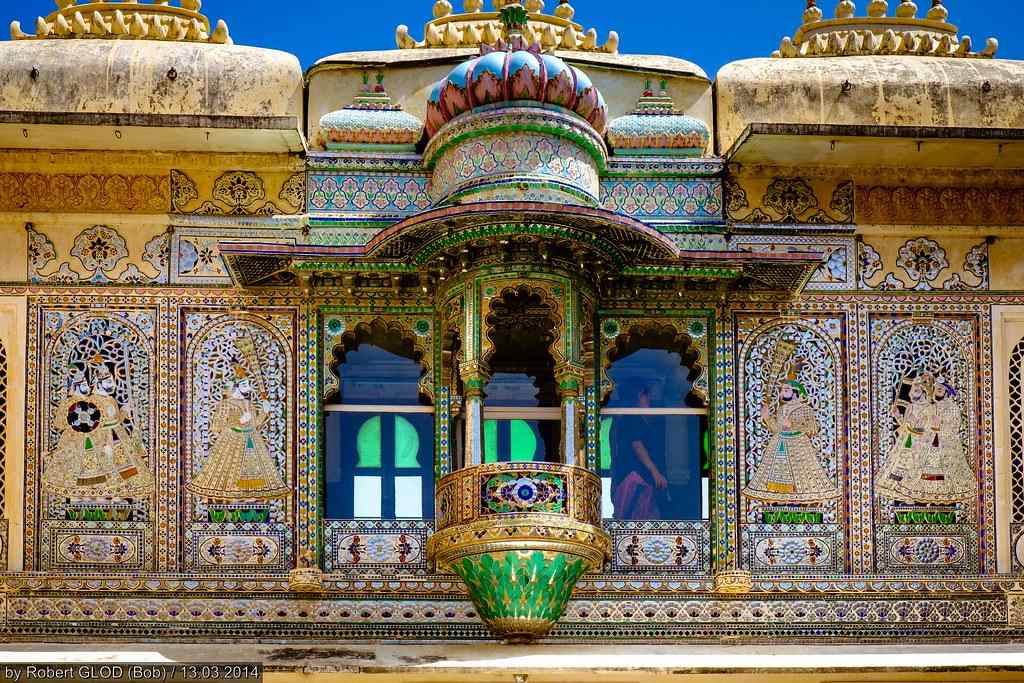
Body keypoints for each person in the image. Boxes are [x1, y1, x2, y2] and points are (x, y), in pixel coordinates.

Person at [42, 356, 154, 498]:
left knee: (126, 469)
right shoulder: (92, 400)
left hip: (118, 437)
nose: (112, 384)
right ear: (97, 383)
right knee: (102, 471)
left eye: (112, 380)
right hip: (101, 440)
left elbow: (117, 419)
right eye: (108, 381)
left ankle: (119, 494)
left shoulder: (111, 399)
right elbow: (91, 424)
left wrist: (125, 410)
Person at [188, 362, 289, 501]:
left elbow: (256, 424)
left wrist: (264, 412)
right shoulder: (226, 403)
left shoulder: (250, 404)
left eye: (247, 385)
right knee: (229, 470)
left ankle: (250, 496)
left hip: (251, 438)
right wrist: (238, 422)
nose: (248, 388)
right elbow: (217, 426)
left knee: (253, 471)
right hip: (231, 439)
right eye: (244, 385)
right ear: (236, 387)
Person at [743, 373, 838, 504]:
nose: (782, 393)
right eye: (782, 390)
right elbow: (776, 429)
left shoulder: (805, 409)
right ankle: (780, 499)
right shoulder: (782, 409)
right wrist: (767, 417)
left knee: (800, 476)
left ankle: (799, 500)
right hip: (780, 443)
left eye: (786, 390)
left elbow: (813, 428)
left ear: (795, 392)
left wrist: (793, 425)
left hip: (798, 446)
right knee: (777, 473)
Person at [612, 383, 668, 519]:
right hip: (634, 478)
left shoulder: (645, 421)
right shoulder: (631, 418)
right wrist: (655, 472)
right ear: (638, 396)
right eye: (646, 396)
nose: (650, 400)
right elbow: (637, 446)